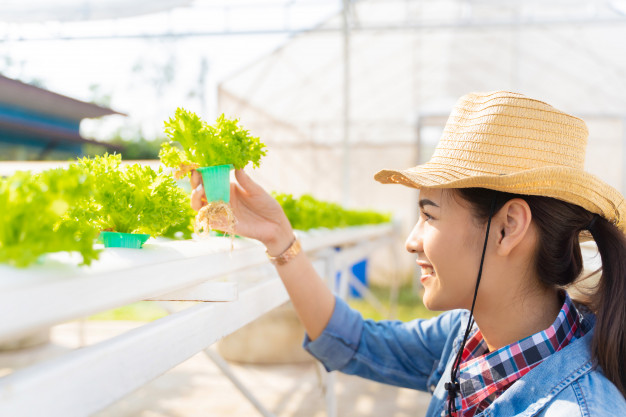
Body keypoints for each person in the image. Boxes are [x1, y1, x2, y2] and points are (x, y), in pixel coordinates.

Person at [190, 91, 626, 416]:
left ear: (507, 228)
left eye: (429, 215)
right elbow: (355, 343)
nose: (411, 240)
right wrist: (279, 239)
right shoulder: (468, 336)